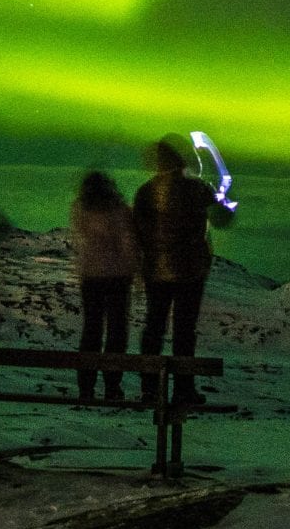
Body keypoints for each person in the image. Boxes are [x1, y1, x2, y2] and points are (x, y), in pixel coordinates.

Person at [131, 135, 234, 406]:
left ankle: (149, 387)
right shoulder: (196, 189)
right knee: (184, 330)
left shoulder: (145, 192)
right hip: (191, 270)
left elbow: (137, 231)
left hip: (155, 269)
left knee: (154, 327)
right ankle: (183, 389)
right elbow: (222, 219)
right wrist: (224, 202)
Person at [69, 171, 137, 402]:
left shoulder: (80, 209)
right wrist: (133, 269)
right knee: (117, 331)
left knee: (91, 330)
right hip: (118, 275)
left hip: (91, 276)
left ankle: (86, 386)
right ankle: (112, 385)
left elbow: (80, 237)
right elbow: (128, 241)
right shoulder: (119, 210)